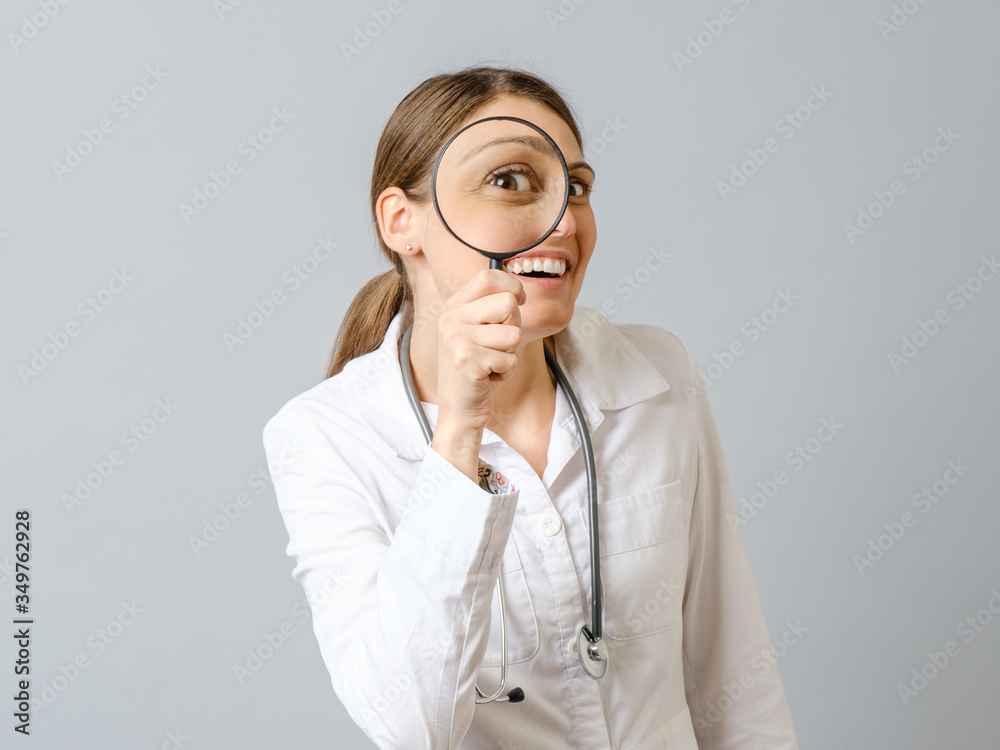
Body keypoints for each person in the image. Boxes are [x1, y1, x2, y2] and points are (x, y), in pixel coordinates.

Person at [262, 65, 799, 749]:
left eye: (574, 187)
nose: (563, 222)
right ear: (403, 223)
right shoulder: (325, 437)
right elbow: (409, 725)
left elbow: (734, 672)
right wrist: (458, 431)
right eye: (509, 179)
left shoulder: (660, 377)